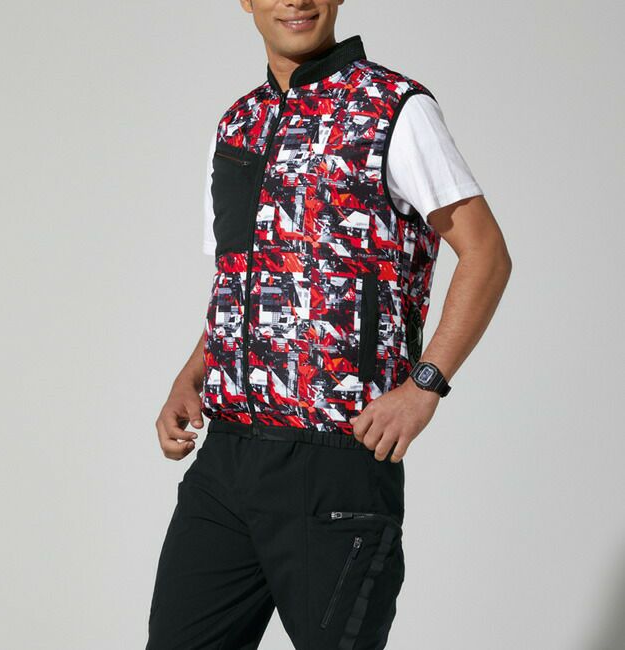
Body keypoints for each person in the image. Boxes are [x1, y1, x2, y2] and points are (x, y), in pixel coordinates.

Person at [146, 1, 512, 648]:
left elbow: (486, 253)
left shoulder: (394, 109)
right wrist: (192, 373)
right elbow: (242, 279)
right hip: (227, 461)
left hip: (336, 464)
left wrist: (425, 386)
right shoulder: (238, 125)